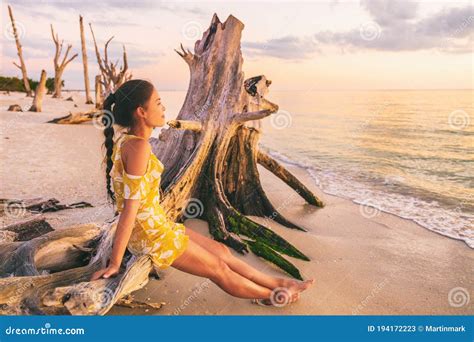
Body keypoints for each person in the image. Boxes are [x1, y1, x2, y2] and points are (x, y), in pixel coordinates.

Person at [91, 79, 314, 306]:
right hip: (151, 236)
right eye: (158, 103)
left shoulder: (132, 143)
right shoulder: (138, 147)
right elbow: (130, 209)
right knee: (218, 269)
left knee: (221, 251)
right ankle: (272, 296)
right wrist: (115, 263)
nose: (164, 107)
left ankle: (277, 283)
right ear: (141, 112)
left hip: (159, 225)